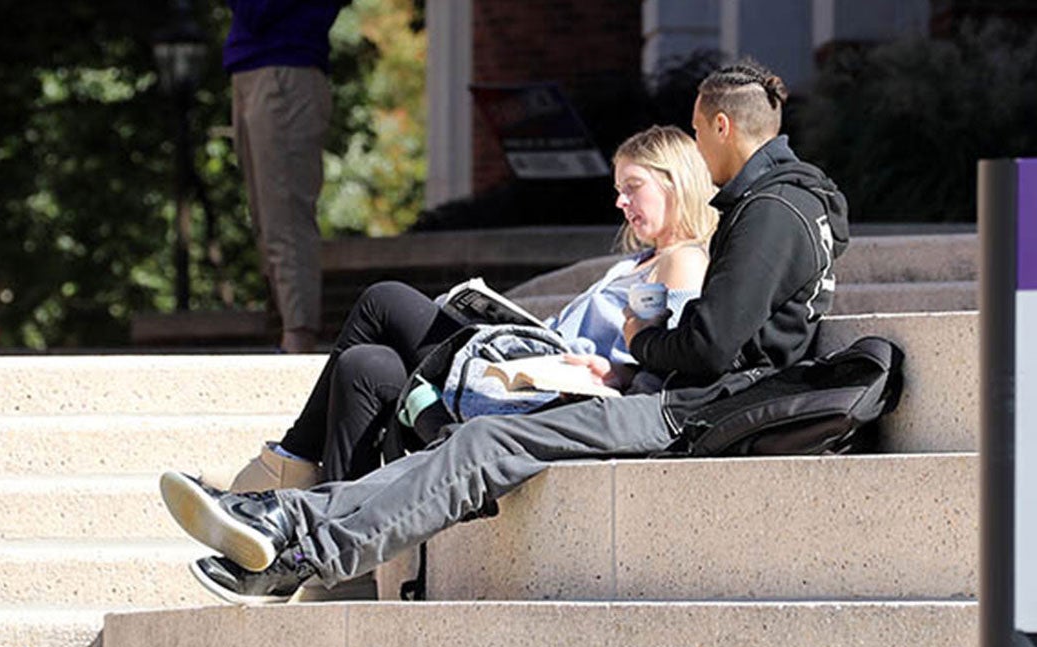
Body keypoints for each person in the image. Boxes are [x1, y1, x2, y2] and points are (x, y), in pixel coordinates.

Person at [160, 60, 849, 603]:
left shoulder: (771, 212)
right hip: (678, 404)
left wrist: (636, 342)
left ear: (722, 126)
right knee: (448, 420)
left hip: (684, 413)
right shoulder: (789, 207)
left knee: (474, 435)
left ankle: (293, 543)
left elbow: (707, 347)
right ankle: (281, 528)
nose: (701, 151)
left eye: (699, 135)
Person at [219, 125, 717, 491]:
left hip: (551, 398)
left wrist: (613, 375)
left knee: (383, 299)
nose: (621, 203)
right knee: (365, 365)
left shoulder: (684, 261)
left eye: (633, 187)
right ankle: (337, 540)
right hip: (523, 367)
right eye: (618, 190)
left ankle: (289, 464)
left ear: (675, 182)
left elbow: (673, 360)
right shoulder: (639, 260)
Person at [228, 0, 348, 353]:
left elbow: (257, 11)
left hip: (286, 73)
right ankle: (289, 331)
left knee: (285, 216)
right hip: (254, 68)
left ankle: (297, 339)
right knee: (266, 219)